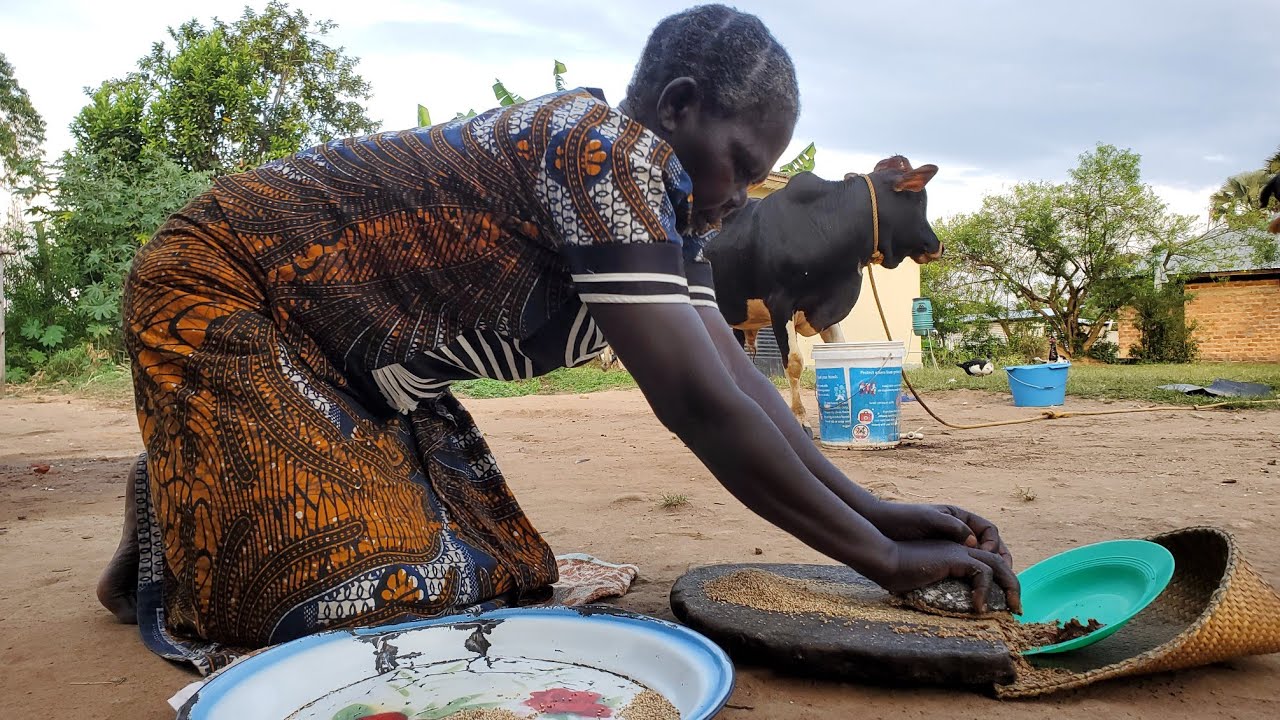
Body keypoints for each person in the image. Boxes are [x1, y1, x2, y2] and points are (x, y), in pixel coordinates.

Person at [97, 4, 1019, 673]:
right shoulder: (602, 151)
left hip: (341, 358)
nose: (739, 193)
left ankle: (198, 475)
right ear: (679, 104)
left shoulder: (671, 213)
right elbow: (696, 407)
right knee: (351, 599)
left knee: (497, 570)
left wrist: (879, 510)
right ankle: (199, 482)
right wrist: (882, 562)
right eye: (741, 161)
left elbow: (733, 382)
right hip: (218, 288)